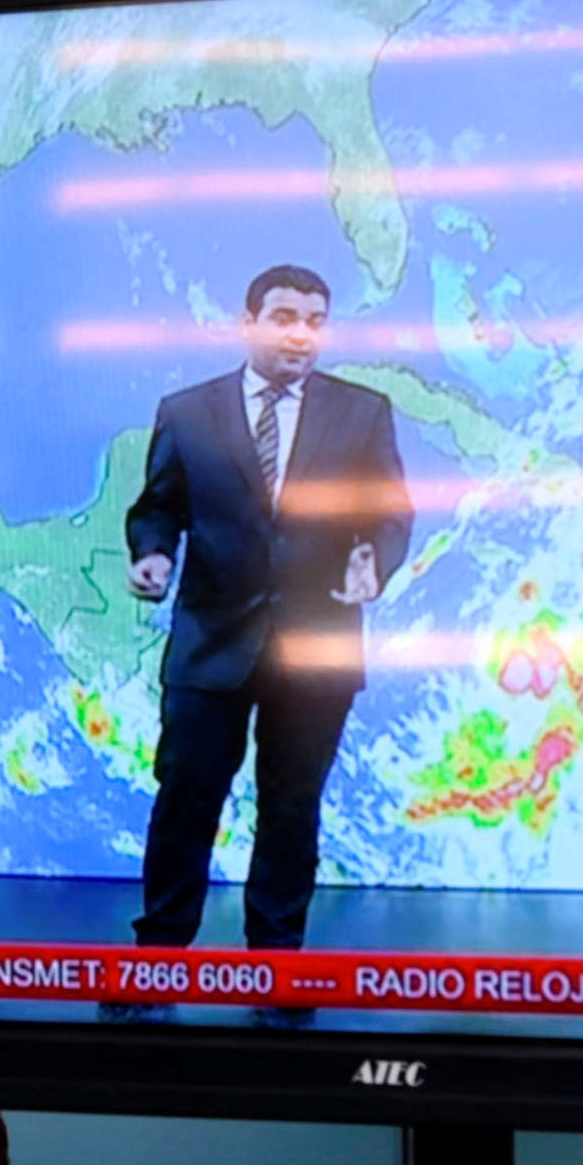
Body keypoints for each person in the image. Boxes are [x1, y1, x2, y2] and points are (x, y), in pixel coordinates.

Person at [120, 260, 416, 949]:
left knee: (290, 808)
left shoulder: (362, 413)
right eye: (285, 319)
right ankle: (160, 950)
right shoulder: (187, 412)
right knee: (186, 801)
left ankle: (276, 965)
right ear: (248, 323)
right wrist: (152, 553)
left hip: (318, 643)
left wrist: (375, 557)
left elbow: (390, 513)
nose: (302, 336)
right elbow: (159, 506)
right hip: (210, 644)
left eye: (316, 322)